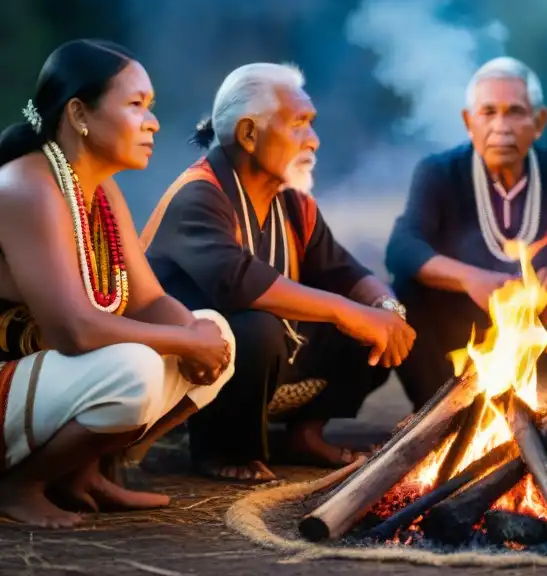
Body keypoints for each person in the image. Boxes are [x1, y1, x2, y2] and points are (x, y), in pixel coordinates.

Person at [142, 62, 416, 483]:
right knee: (254, 328)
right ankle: (222, 448)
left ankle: (304, 434)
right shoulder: (199, 195)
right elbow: (238, 282)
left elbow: (343, 270)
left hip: (272, 359)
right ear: (249, 134)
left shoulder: (292, 202)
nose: (315, 139)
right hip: (195, 367)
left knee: (372, 325)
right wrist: (350, 312)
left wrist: (385, 308)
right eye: (300, 124)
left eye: (312, 123)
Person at [0, 39, 235, 528]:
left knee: (217, 331)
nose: (152, 122)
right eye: (135, 105)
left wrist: (197, 337)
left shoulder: (100, 189)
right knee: (135, 369)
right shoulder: (26, 186)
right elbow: (75, 332)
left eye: (150, 107)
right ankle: (18, 484)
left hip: (47, 380)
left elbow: (147, 298)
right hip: (9, 376)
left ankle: (78, 474)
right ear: (80, 113)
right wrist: (183, 341)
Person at [385, 56, 547, 409]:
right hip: (463, 342)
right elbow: (402, 248)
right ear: (468, 121)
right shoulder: (440, 172)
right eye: (488, 112)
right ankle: (444, 410)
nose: (501, 126)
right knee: (405, 292)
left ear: (539, 122)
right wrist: (468, 279)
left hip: (545, 337)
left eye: (515, 112)